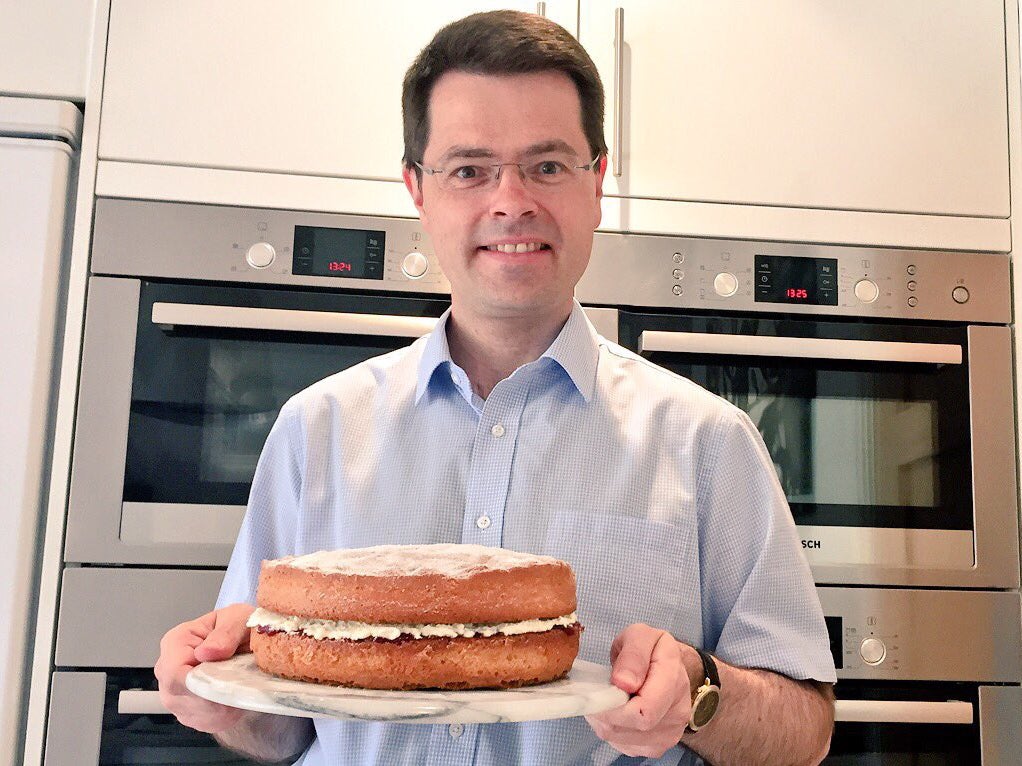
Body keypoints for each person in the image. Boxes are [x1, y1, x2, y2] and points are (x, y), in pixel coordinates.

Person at [155, 10, 837, 765]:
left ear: (598, 180)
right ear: (417, 187)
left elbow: (802, 731)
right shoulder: (315, 429)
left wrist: (700, 691)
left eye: (547, 166)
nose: (511, 201)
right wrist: (212, 697)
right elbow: (276, 727)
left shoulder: (705, 441)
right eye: (469, 170)